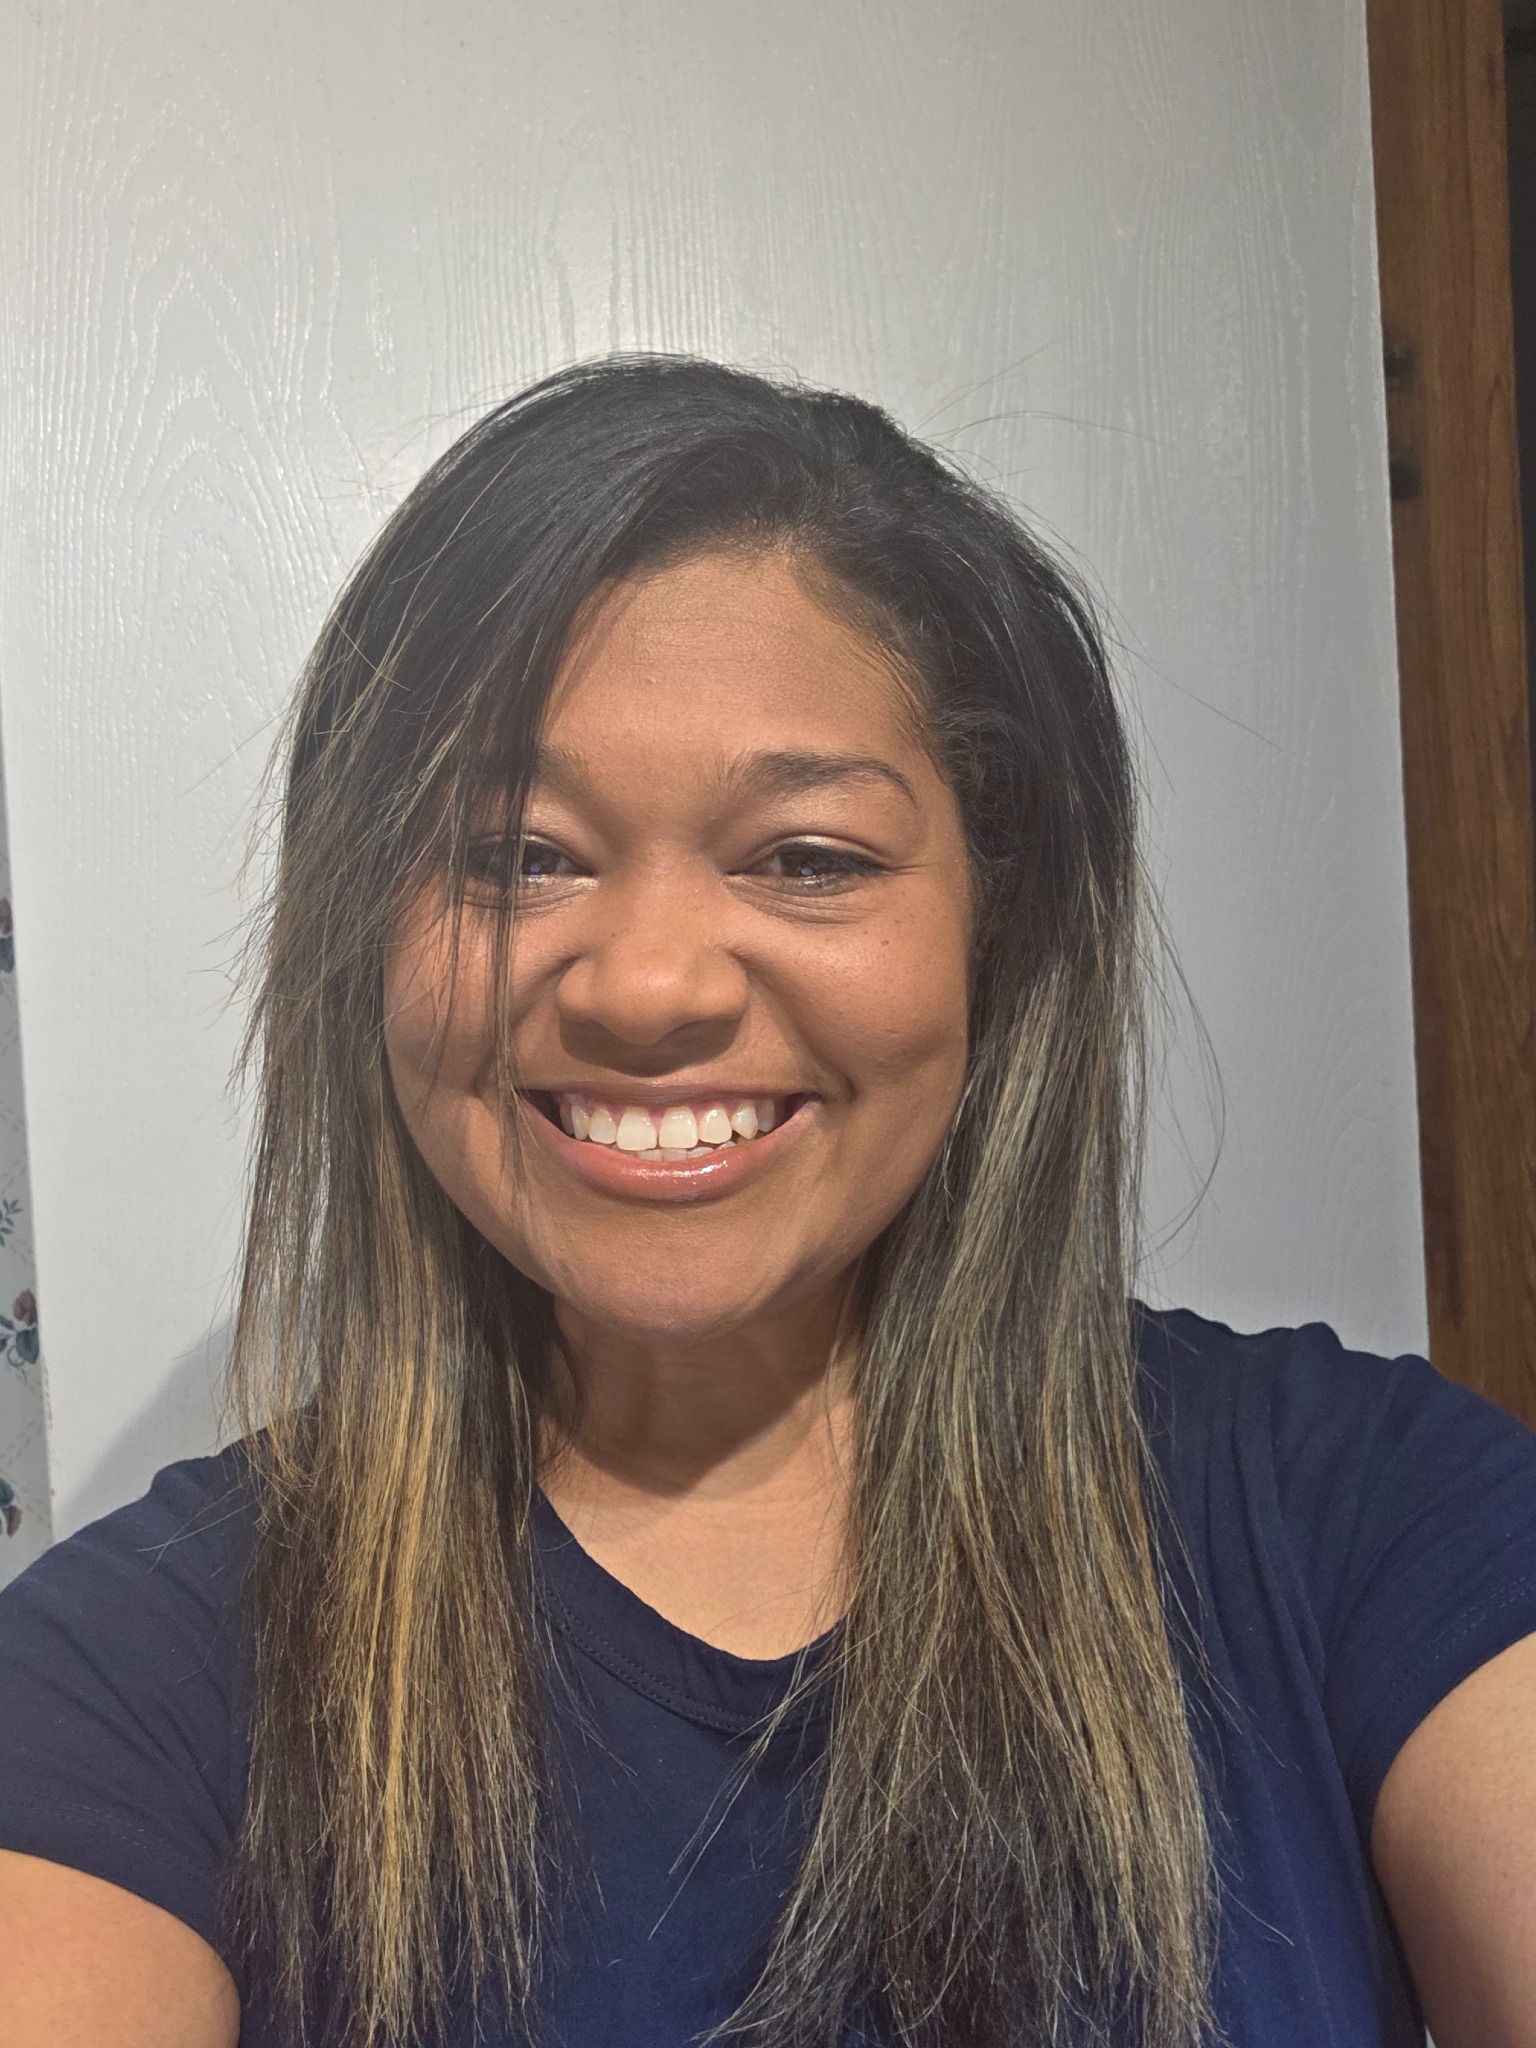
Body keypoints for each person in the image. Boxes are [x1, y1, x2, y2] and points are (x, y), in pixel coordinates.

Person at [1, 356, 1534, 2048]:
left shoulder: (1374, 1524)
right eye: (515, 856)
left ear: (1001, 922)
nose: (648, 986)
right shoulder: (129, 1682)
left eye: (807, 858)